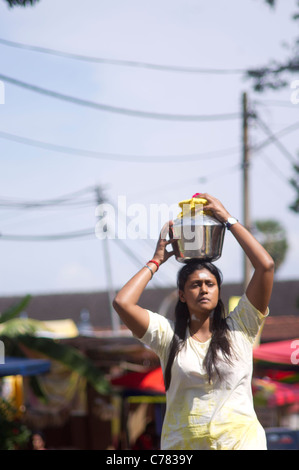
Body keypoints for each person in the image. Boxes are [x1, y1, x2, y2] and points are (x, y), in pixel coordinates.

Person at [113, 193, 274, 450]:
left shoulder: (241, 326)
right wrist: (156, 261)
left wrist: (226, 218)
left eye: (210, 284)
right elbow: (122, 303)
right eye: (195, 285)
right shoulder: (167, 336)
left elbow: (265, 266)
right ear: (181, 294)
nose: (204, 289)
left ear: (218, 291)